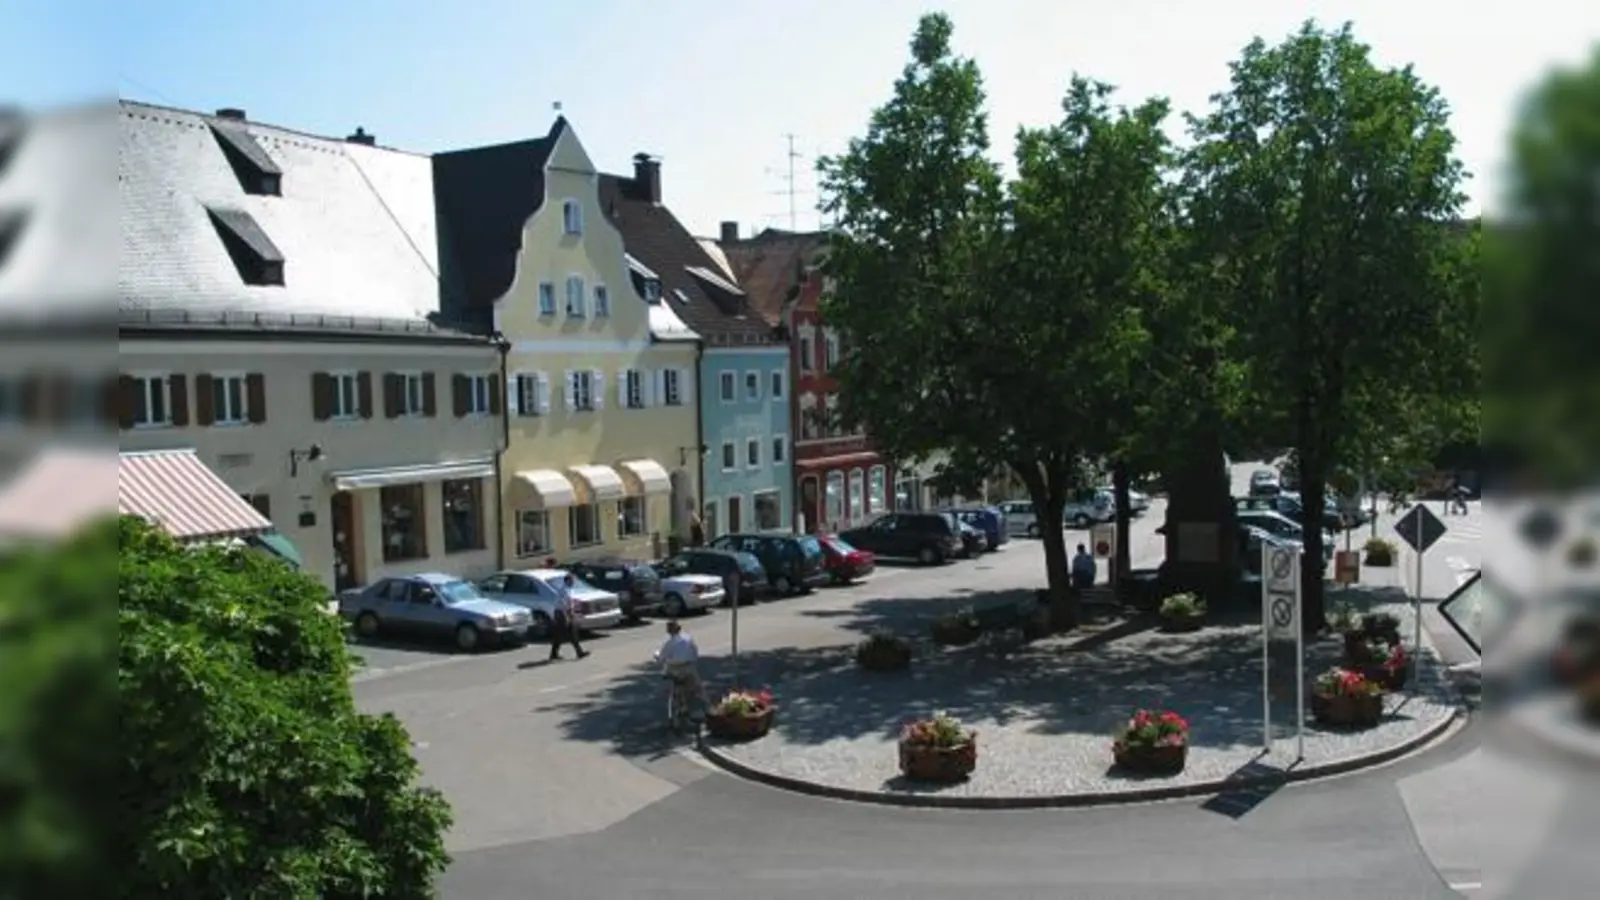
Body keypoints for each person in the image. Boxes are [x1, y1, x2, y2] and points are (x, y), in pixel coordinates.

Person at [653, 620, 708, 717]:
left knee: (674, 679)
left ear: (669, 631)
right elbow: (695, 652)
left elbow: (662, 658)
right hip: (689, 666)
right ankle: (707, 708)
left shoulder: (670, 643)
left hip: (675, 669)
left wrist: (656, 656)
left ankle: (681, 705)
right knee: (698, 688)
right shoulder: (688, 638)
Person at [548, 573, 589, 661]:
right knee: (571, 632)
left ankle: (554, 654)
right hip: (562, 613)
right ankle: (579, 652)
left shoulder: (566, 589)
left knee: (561, 634)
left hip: (561, 612)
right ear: (567, 581)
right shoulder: (565, 590)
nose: (573, 582)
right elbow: (564, 604)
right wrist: (568, 615)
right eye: (572, 580)